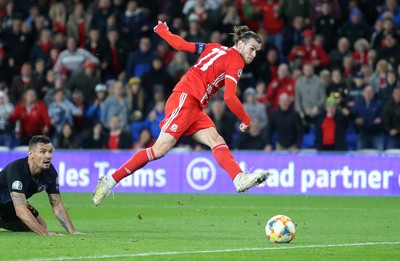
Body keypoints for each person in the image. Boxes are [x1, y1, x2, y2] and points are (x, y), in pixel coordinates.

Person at [93, 21, 269, 206]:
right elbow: (230, 97)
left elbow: (180, 45)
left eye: (256, 51)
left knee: (216, 140)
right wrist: (246, 120)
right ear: (240, 44)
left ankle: (238, 178)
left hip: (193, 105)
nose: (253, 54)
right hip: (186, 99)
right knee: (158, 150)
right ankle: (110, 180)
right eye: (251, 49)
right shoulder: (236, 60)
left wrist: (163, 31)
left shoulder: (214, 47)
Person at [0, 135, 80, 235]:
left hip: (11, 204)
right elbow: (20, 209)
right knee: (38, 227)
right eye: (43, 151)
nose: (48, 156)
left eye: (50, 151)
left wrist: (73, 231)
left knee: (41, 225)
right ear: (31, 154)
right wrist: (45, 233)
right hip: (13, 203)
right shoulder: (16, 170)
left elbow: (57, 204)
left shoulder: (50, 173)